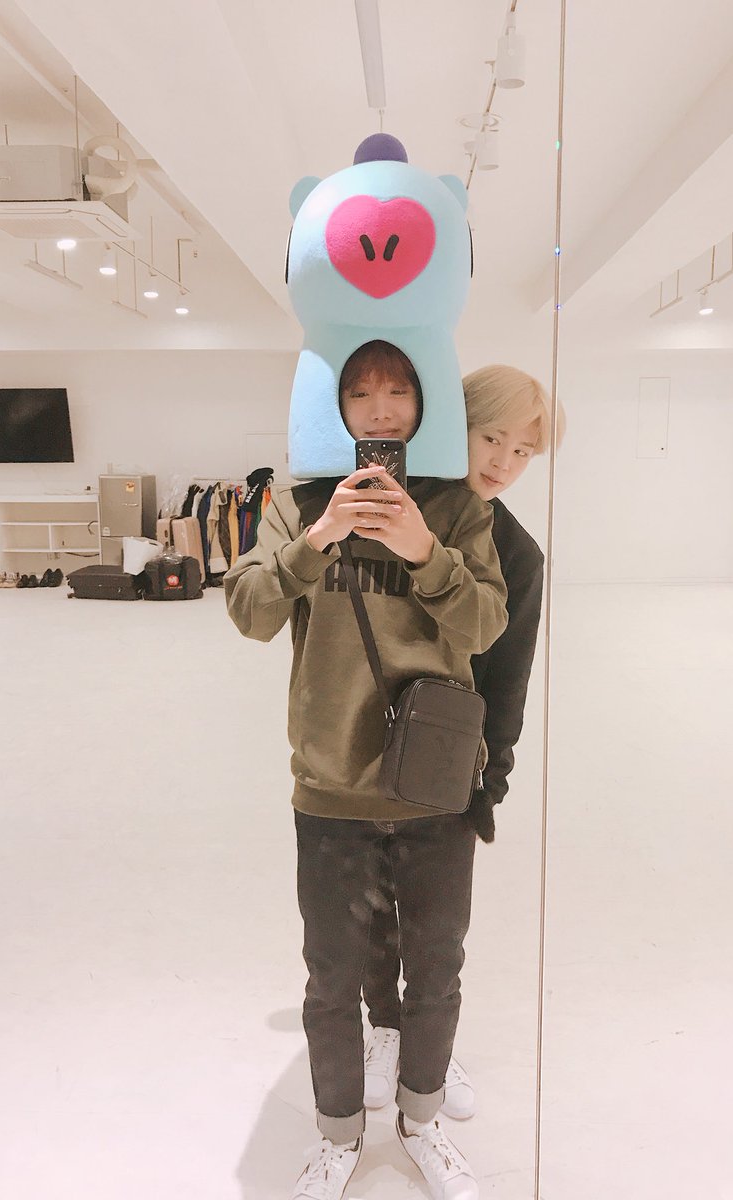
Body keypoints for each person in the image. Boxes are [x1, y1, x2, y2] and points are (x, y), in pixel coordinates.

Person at [224, 340, 508, 1200]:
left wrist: (426, 551)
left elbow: (486, 625)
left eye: (397, 390)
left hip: (433, 781)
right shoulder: (297, 503)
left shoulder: (456, 507)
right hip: (331, 782)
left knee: (437, 969)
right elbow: (249, 611)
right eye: (360, 392)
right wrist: (319, 539)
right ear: (335, 405)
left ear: (423, 401)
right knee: (331, 979)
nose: (381, 409)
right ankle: (338, 1137)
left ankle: (421, 1124)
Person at [360, 364, 565, 1120]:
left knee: (437, 927)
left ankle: (431, 1050)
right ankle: (384, 1031)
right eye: (492, 438)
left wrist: (491, 781)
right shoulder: (386, 512)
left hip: (445, 757)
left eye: (524, 451)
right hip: (361, 747)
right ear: (454, 424)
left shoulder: (518, 555)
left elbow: (509, 679)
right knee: (370, 912)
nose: (504, 462)